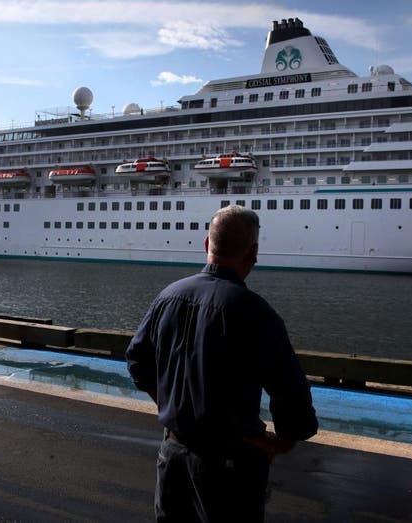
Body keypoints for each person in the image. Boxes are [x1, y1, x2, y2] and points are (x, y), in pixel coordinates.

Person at [125, 205, 318, 522]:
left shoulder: (168, 296)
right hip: (229, 464)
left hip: (172, 455)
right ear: (253, 253)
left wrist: (167, 405)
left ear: (206, 245)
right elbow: (290, 389)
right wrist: (281, 441)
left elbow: (136, 360)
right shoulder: (254, 311)